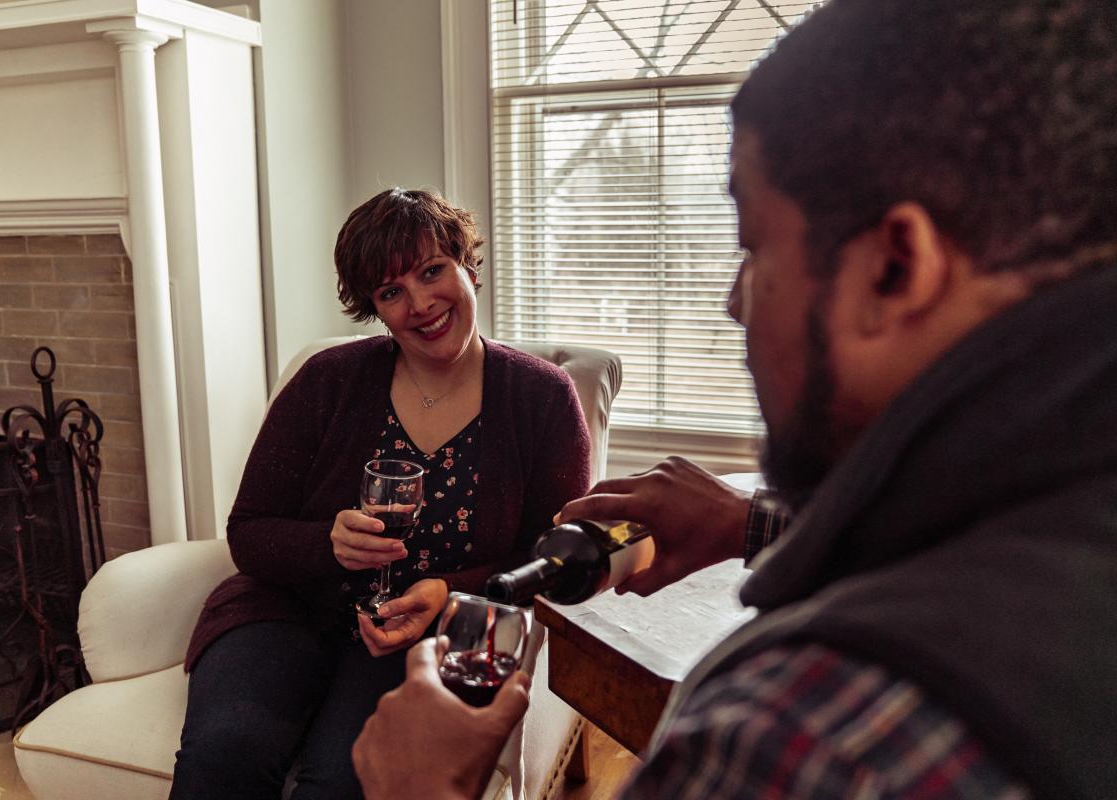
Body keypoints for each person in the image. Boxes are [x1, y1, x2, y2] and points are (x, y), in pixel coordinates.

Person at [352, 2, 1117, 798]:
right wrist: (751, 524)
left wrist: (418, 789)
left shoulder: (799, 744)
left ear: (894, 269)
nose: (733, 303)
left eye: (755, 248)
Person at [168, 188, 591, 799]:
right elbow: (250, 529)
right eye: (392, 291)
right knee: (225, 754)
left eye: (431, 271)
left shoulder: (542, 398)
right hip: (287, 613)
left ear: (468, 267)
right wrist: (326, 544)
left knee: (343, 782)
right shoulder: (328, 381)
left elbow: (552, 560)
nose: (420, 304)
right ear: (375, 308)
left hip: (437, 632)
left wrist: (450, 591)